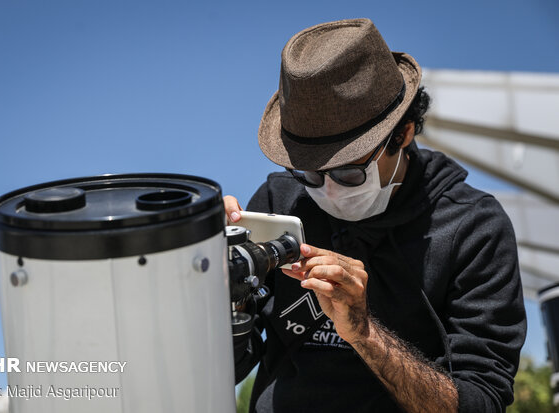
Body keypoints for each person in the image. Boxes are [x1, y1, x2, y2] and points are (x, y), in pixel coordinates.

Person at [225, 18, 526, 413]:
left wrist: (365, 334)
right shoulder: (278, 200)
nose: (329, 192)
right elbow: (232, 367)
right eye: (310, 174)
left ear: (403, 135)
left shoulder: (473, 228)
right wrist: (226, 289)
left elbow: (482, 402)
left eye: (350, 172)